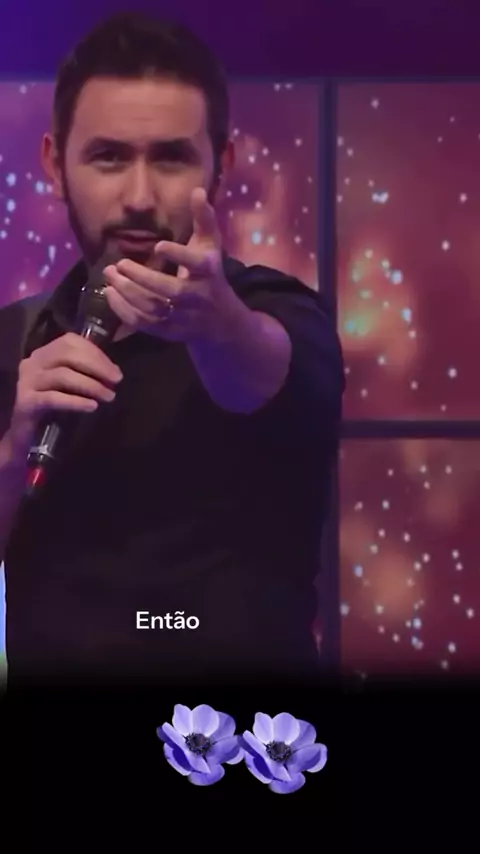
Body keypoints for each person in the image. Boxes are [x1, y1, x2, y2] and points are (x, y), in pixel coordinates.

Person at [0, 12, 344, 687]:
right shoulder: (13, 339)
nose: (138, 197)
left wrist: (218, 326)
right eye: (108, 157)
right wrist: (13, 453)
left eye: (170, 157)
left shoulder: (282, 312)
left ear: (222, 166)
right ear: (54, 164)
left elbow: (257, 368)